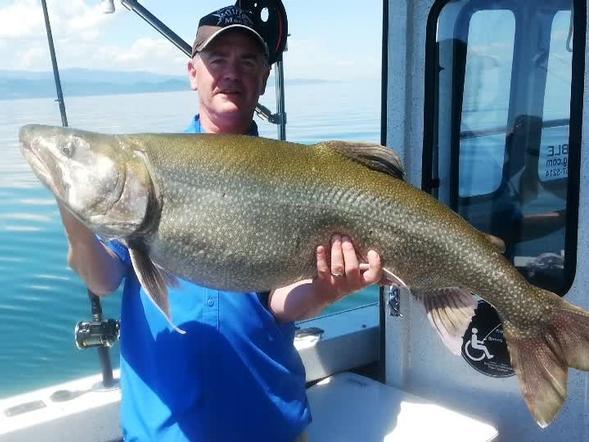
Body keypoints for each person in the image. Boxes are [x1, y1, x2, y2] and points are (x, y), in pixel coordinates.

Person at [58, 5, 383, 441]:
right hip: (163, 430)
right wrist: (73, 209)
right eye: (218, 59)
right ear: (194, 71)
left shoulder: (295, 178)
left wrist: (328, 290)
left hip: (269, 423)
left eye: (247, 60)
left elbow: (277, 305)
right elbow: (102, 279)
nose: (232, 71)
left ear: (264, 77)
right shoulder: (143, 171)